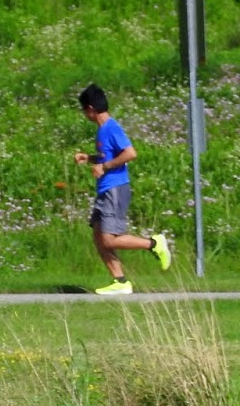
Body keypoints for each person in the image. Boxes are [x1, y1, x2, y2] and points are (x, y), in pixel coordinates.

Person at [73, 84, 171, 295]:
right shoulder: (103, 130)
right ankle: (121, 282)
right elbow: (108, 155)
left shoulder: (111, 128)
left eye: (83, 110)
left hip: (115, 189)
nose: (84, 115)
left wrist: (104, 167)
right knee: (99, 238)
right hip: (105, 189)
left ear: (90, 108)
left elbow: (130, 153)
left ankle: (154, 243)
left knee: (109, 239)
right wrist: (90, 158)